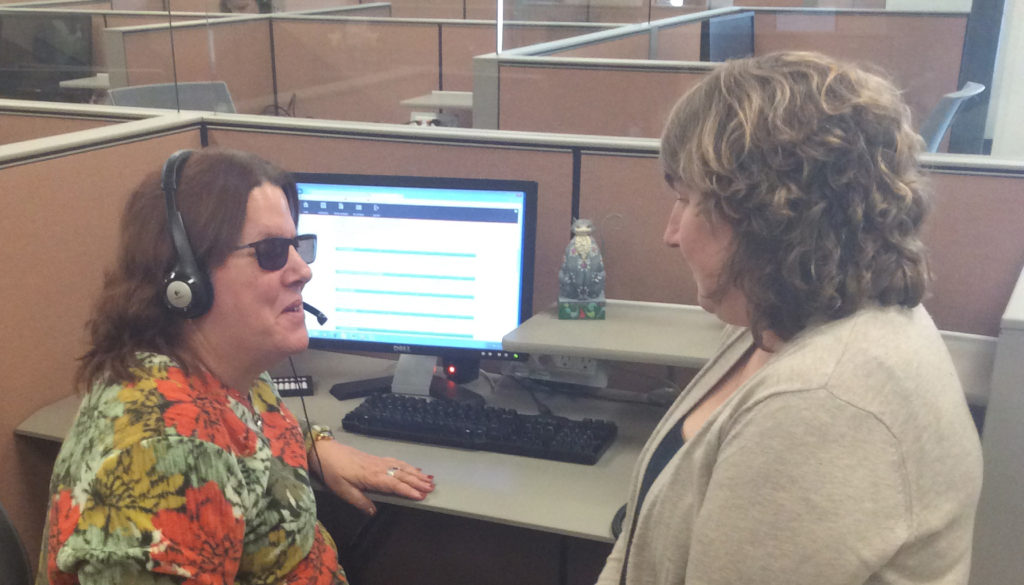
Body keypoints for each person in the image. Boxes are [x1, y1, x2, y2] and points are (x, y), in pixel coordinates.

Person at [598, 52, 983, 585]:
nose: (671, 233)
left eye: (686, 200)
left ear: (764, 216)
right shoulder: (786, 321)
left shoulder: (821, 402)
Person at [38, 148, 434, 585]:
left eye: (297, 246)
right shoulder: (166, 456)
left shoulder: (225, 369)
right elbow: (199, 447)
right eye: (271, 251)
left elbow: (243, 437)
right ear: (186, 280)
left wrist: (316, 445)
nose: (303, 270)